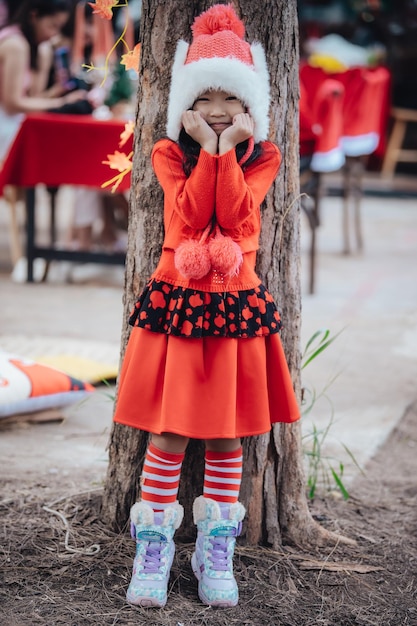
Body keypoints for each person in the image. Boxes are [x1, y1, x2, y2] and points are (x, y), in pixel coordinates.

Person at [112, 4, 300, 609]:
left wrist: (227, 152)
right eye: (207, 94)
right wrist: (208, 150)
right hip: (179, 305)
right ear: (189, 102)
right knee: (167, 432)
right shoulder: (170, 156)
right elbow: (193, 217)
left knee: (226, 439)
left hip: (235, 307)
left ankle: (216, 546)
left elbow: (238, 219)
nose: (218, 107)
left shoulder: (264, 159)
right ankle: (154, 546)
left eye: (231, 96)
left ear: (250, 106)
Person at [0, 0, 88, 163]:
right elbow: (12, 104)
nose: (53, 35)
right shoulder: (15, 45)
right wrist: (63, 102)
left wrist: (56, 91)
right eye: (52, 26)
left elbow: (33, 99)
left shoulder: (35, 47)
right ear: (34, 16)